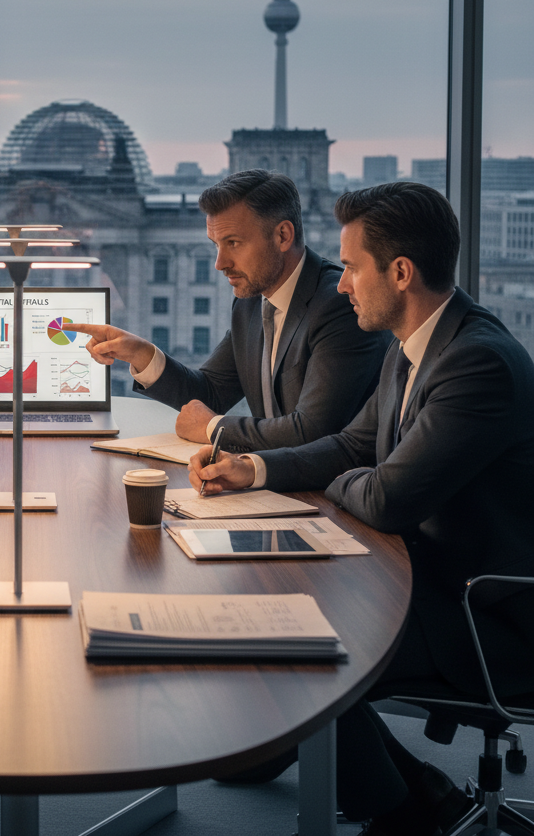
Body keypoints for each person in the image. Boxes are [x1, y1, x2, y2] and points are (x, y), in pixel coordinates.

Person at [192, 181, 534, 835]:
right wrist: (253, 468)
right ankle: (422, 793)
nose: (341, 284)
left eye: (350, 267)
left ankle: (407, 815)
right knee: (272, 612)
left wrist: (352, 479)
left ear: (400, 272)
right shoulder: (414, 346)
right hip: (428, 579)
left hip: (486, 617)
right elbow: (351, 448)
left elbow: (385, 496)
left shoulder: (477, 363)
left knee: (298, 652)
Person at [70, 170, 388, 452]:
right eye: (216, 244)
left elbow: (313, 433)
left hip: (334, 500)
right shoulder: (251, 301)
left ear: (283, 236)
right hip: (275, 485)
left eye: (233, 243)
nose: (220, 263)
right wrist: (141, 354)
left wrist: (213, 429)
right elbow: (210, 393)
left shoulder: (339, 305)